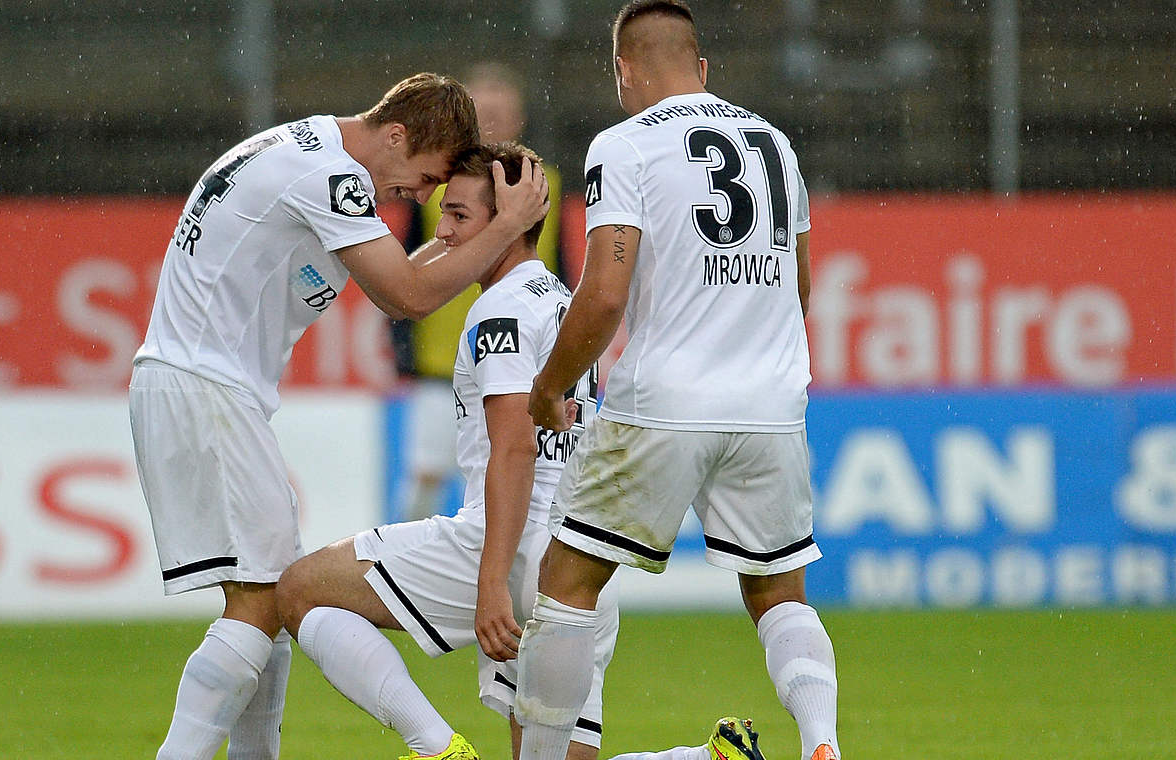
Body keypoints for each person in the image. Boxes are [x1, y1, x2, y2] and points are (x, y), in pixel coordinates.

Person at [129, 72, 549, 760]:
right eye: (423, 177)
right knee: (266, 603)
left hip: (196, 385)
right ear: (395, 135)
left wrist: (481, 227)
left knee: (269, 599)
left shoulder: (306, 152)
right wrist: (505, 225)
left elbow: (398, 276)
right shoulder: (333, 178)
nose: (417, 196)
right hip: (207, 389)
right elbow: (408, 296)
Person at [513, 3, 841, 760]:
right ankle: (822, 743)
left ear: (624, 70)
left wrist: (548, 384)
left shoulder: (622, 146)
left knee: (567, 582)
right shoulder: (774, 144)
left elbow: (602, 295)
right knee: (777, 593)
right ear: (702, 68)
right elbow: (800, 285)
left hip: (665, 400)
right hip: (771, 404)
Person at [274, 142, 618, 760]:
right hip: (577, 561)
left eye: (459, 215)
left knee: (300, 590)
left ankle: (434, 745)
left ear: (509, 223)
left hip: (505, 546)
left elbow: (515, 449)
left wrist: (492, 581)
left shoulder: (501, 312)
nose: (445, 230)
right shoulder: (562, 303)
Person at [391, 61, 567, 521]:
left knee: (513, 472)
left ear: (519, 121)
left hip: (516, 364)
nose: (492, 124)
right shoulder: (439, 188)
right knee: (426, 477)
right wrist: (402, 347)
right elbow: (402, 268)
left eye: (501, 114)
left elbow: (562, 268)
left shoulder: (544, 184)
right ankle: (413, 572)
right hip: (441, 364)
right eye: (482, 114)